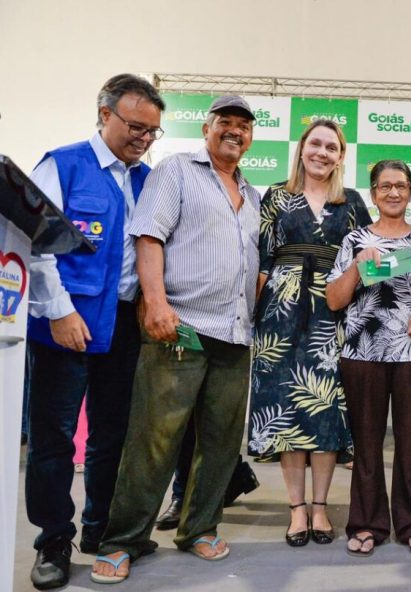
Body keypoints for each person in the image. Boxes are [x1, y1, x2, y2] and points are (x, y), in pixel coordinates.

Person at [90, 95, 260, 584]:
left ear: (251, 138)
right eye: (225, 122)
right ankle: (123, 539)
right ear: (207, 129)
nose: (234, 131)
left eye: (243, 126)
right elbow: (149, 237)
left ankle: (199, 528)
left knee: (221, 441)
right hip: (180, 326)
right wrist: (156, 302)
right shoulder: (176, 171)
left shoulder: (252, 193)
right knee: (154, 439)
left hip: (234, 333)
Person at [25, 74, 165, 590]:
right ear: (104, 114)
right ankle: (53, 541)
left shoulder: (149, 180)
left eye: (152, 132)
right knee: (54, 440)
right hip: (65, 327)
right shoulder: (61, 165)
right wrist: (59, 313)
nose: (143, 139)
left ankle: (103, 531)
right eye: (135, 127)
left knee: (114, 438)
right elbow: (34, 246)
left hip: (123, 328)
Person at [247, 119, 372, 548]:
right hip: (280, 317)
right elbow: (261, 261)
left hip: (333, 316)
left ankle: (321, 505)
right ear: (302, 149)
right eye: (315, 144)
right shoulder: (275, 196)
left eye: (331, 147)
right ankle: (297, 508)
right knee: (286, 412)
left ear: (341, 156)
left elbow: (373, 259)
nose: (322, 152)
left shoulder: (352, 202)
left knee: (325, 411)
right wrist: (254, 316)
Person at [326, 159, 411, 557]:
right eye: (385, 186)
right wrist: (357, 270)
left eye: (400, 185)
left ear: (410, 191)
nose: (393, 192)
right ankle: (366, 523)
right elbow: (334, 299)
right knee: (366, 444)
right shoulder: (355, 241)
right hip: (363, 354)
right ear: (374, 192)